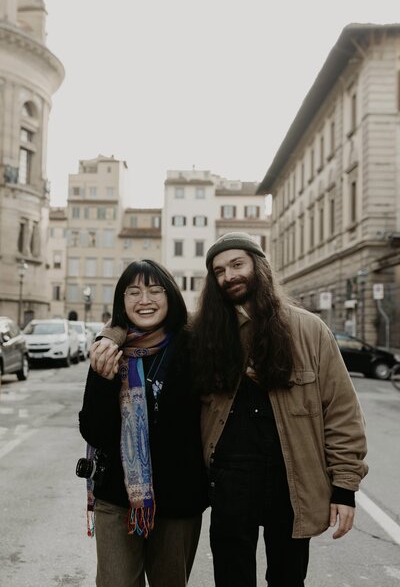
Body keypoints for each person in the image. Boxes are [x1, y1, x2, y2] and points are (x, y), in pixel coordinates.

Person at [90, 233, 368, 587]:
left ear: (260, 267)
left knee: (288, 578)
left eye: (237, 265)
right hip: (229, 483)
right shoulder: (203, 331)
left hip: (292, 481)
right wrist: (111, 335)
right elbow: (147, 326)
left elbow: (342, 412)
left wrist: (345, 489)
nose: (229, 276)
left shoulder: (310, 330)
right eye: (219, 271)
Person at [79, 259, 208, 587]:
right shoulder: (108, 351)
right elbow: (94, 431)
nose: (144, 300)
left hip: (179, 501)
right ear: (121, 302)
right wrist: (105, 379)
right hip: (116, 498)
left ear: (171, 296)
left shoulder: (195, 347)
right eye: (133, 292)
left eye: (154, 290)